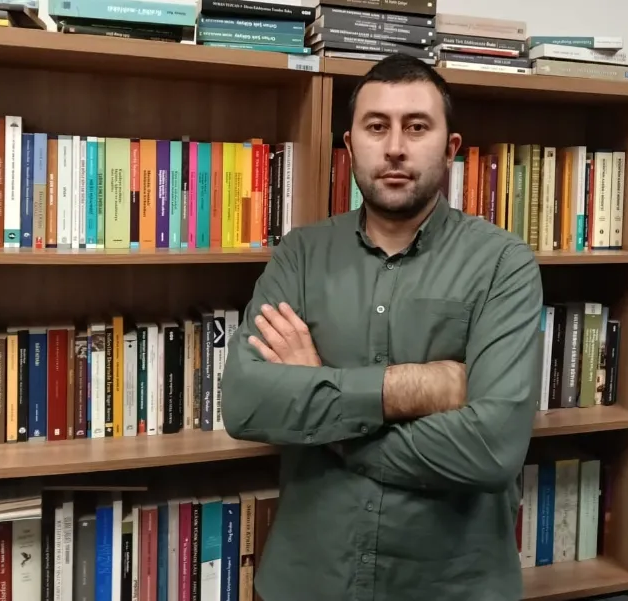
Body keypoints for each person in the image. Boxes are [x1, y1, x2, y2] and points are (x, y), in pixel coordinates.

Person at [220, 52, 543, 601]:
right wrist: (419, 386)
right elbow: (245, 403)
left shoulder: (503, 264)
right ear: (350, 146)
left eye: (416, 127)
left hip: (452, 589)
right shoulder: (299, 256)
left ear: (450, 147)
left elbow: (492, 449)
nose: (395, 147)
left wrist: (319, 400)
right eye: (376, 127)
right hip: (308, 582)